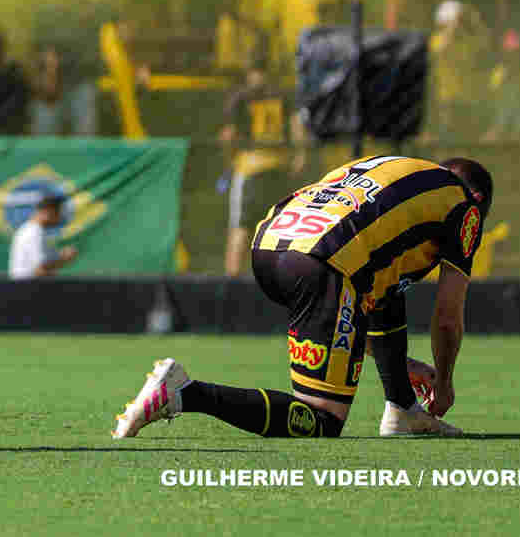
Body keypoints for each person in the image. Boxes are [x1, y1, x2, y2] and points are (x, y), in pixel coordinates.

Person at [113, 155, 493, 441]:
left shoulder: (394, 168)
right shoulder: (464, 204)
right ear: (477, 199)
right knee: (322, 421)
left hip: (269, 248)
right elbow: (447, 317)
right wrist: (443, 382)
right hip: (324, 263)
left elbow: (379, 295)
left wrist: (401, 379)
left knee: (380, 286)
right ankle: (183, 393)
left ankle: (402, 409)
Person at [219, 65, 303, 276]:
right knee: (280, 231)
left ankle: (232, 282)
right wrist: (300, 157)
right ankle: (283, 282)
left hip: (250, 169)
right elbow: (297, 128)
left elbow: (228, 136)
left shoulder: (240, 98)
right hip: (279, 169)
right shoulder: (283, 96)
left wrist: (229, 161)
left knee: (240, 226)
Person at [8, 190, 77, 279]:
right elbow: (40, 269)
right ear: (49, 211)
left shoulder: (33, 230)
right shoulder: (34, 232)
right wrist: (64, 259)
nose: (60, 217)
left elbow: (41, 263)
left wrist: (59, 255)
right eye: (59, 212)